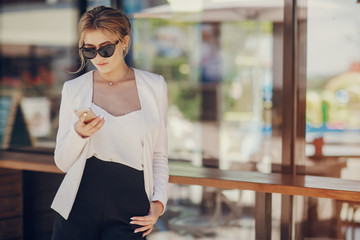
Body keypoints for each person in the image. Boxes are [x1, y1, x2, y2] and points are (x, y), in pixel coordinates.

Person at [51, 5, 169, 240]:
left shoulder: (154, 86)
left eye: (105, 49)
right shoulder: (74, 89)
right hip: (79, 202)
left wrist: (159, 202)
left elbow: (159, 154)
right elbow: (62, 163)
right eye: (90, 50)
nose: (98, 58)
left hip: (131, 205)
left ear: (124, 41)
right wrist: (79, 134)